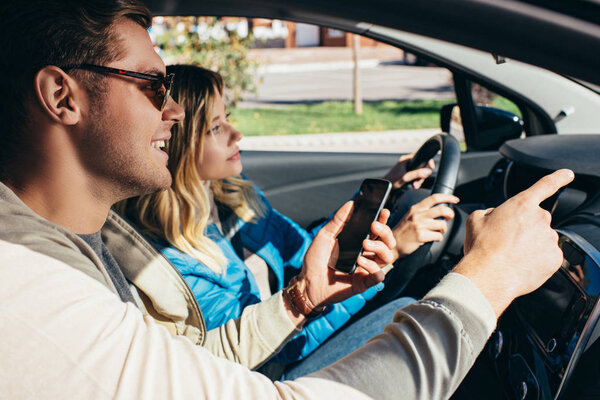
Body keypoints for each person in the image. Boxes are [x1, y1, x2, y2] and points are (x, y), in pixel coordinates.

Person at [0, 0, 574, 399]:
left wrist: (302, 298)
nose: (171, 112)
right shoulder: (27, 287)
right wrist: (488, 279)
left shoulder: (88, 241)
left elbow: (191, 361)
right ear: (61, 96)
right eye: (153, 86)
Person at [117, 64, 459, 378]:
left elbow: (306, 250)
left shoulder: (234, 197)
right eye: (217, 128)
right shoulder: (178, 262)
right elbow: (274, 348)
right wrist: (392, 248)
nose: (237, 135)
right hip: (273, 375)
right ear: (180, 145)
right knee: (415, 316)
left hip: (295, 336)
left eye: (229, 118)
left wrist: (377, 201)